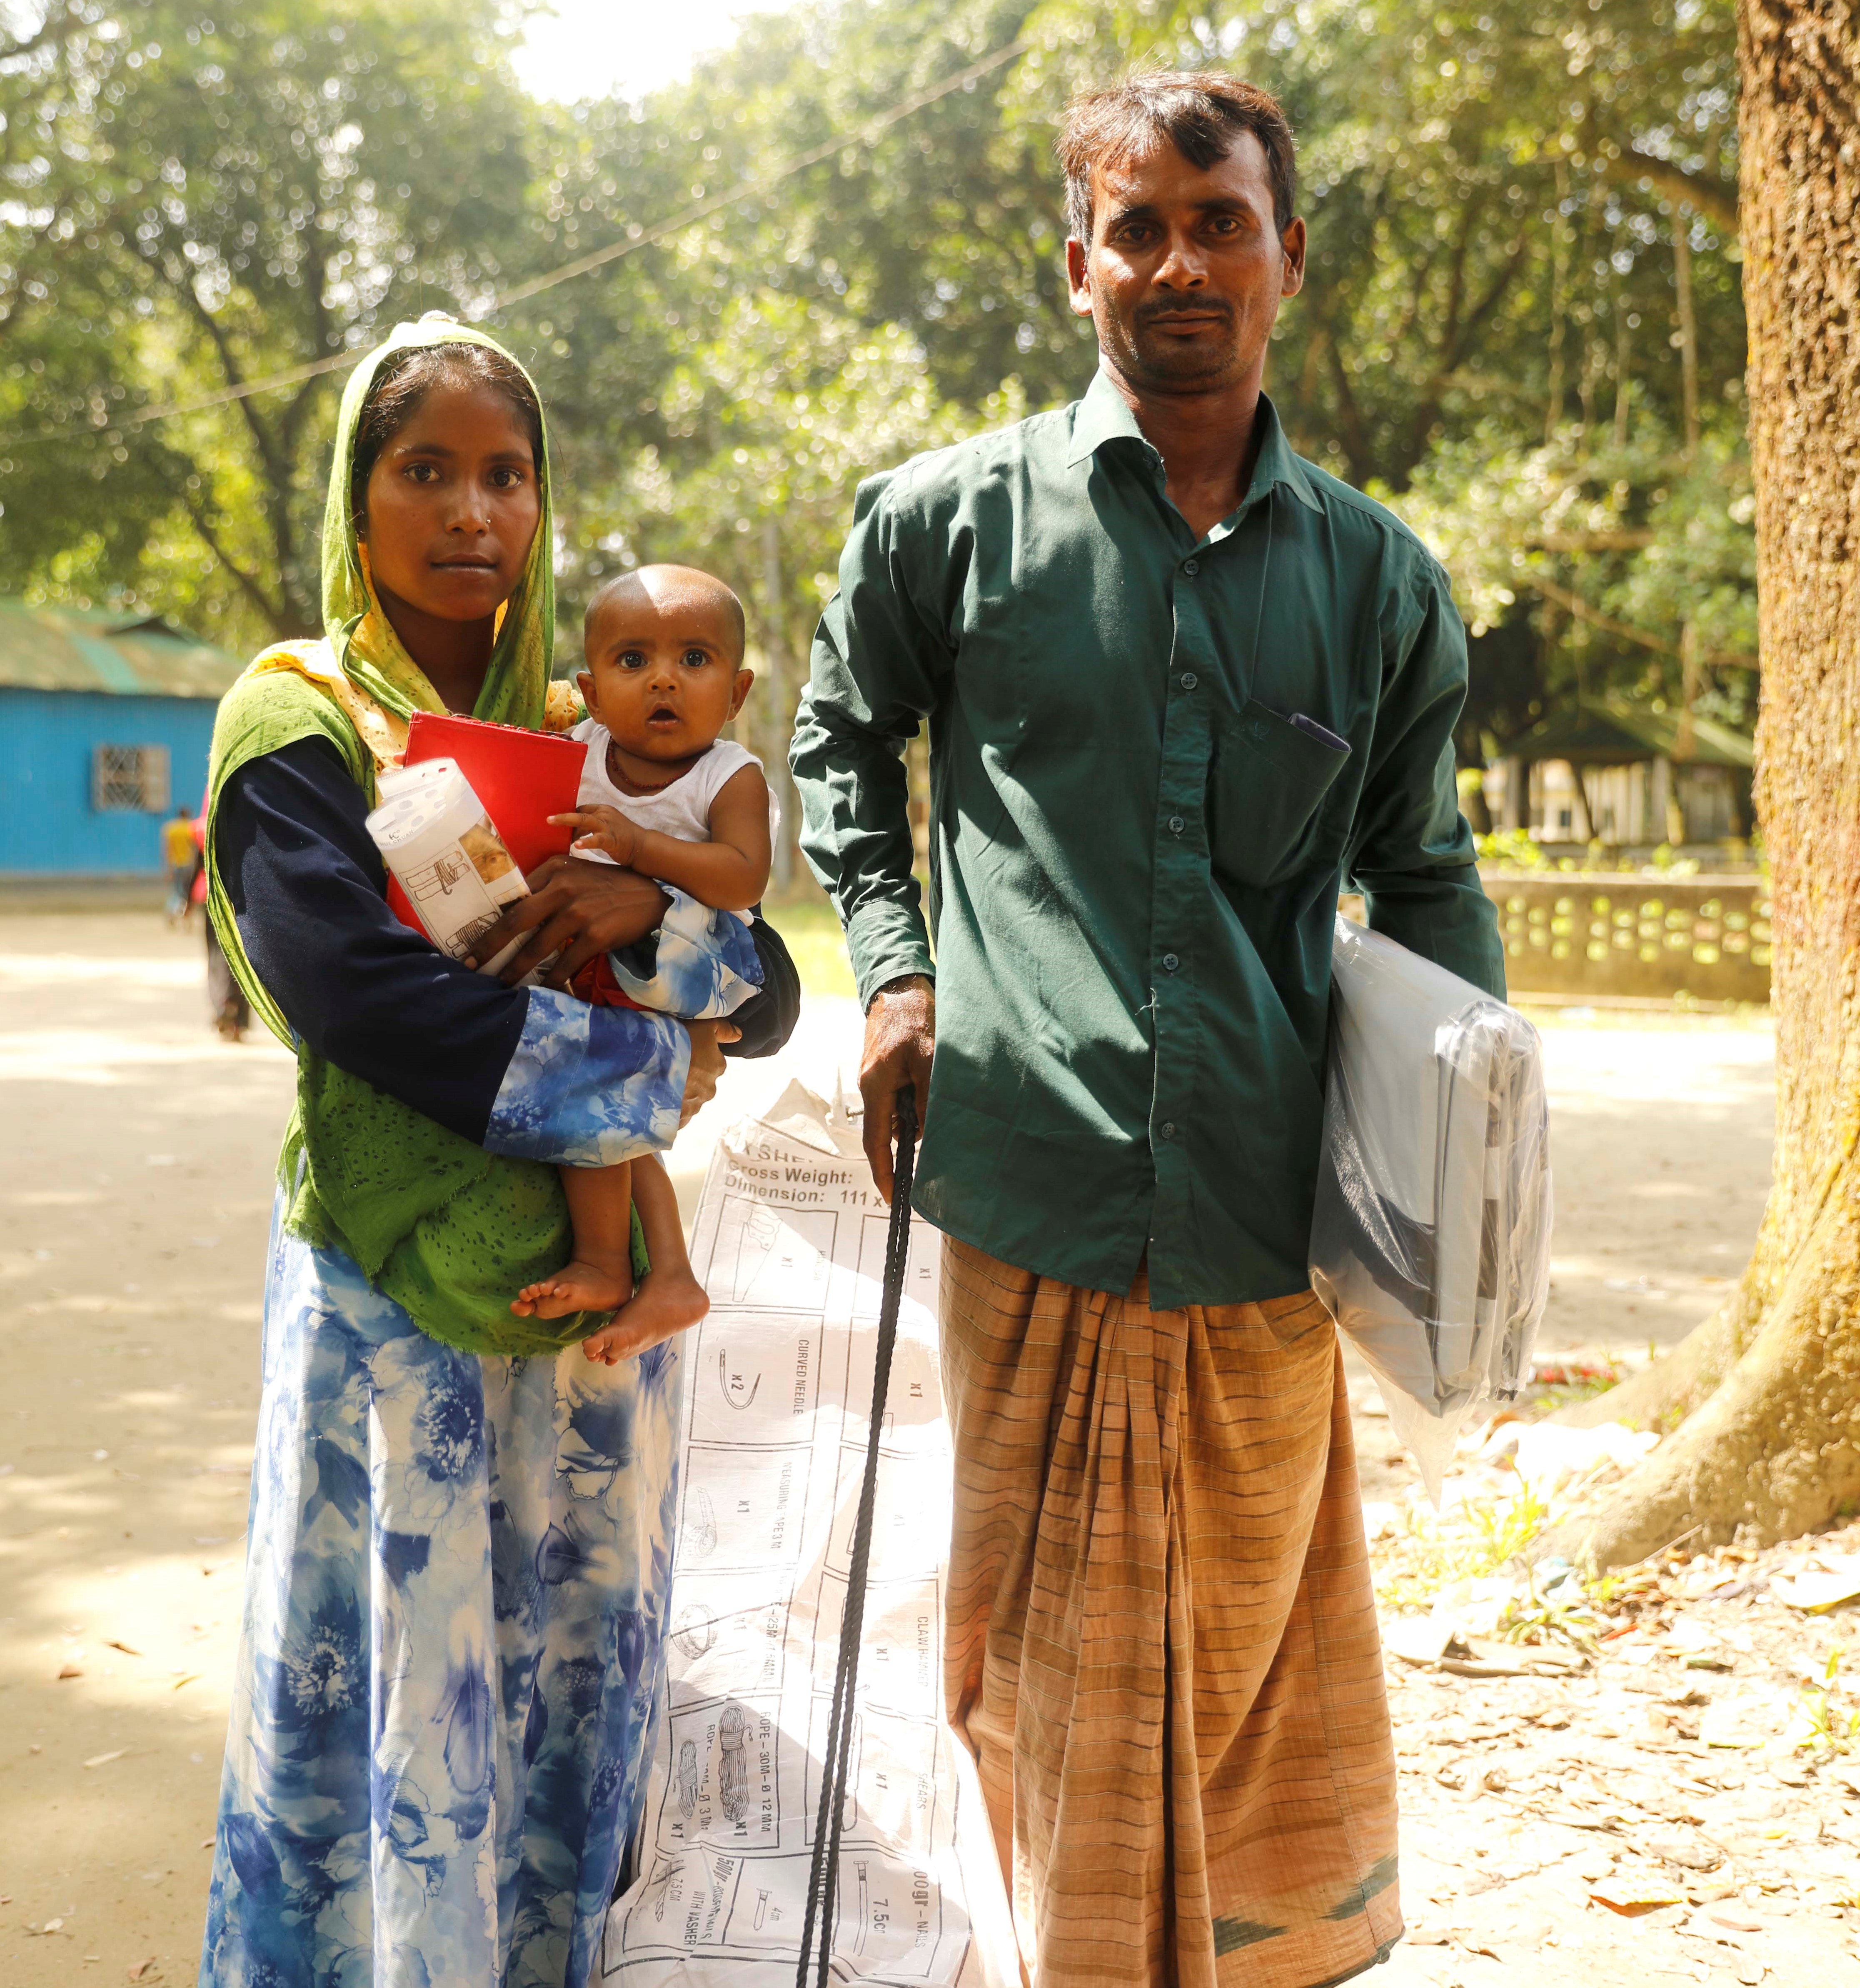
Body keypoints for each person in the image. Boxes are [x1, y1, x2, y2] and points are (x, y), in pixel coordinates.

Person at [790, 71, 1504, 1988]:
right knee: (1031, 1678)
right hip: (1023, 1190)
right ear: (1076, 260)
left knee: (1240, 1665)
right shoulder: (945, 522)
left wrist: (1469, 1144)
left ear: (1287, 254)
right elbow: (838, 741)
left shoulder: (1372, 579)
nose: (1177, 260)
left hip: (1266, 1230)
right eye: (1136, 225)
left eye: (1217, 221)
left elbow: (1421, 874)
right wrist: (889, 964)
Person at [196, 316, 794, 1988]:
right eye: (428, 470)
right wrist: (648, 1052)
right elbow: (342, 986)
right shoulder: (298, 717)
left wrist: (646, 904)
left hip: (595, 1350)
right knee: (402, 1693)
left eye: (506, 474)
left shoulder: (589, 732)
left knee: (576, 1686)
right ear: (361, 499)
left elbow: (776, 978)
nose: (472, 510)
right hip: (393, 1315)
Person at [509, 562, 778, 1359]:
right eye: (634, 661)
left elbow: (744, 876)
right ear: (590, 695)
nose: (664, 678)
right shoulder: (576, 750)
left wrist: (641, 849)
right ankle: (667, 1275)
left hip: (697, 967)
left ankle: (610, 1262)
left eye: (695, 659)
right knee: (606, 1117)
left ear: (737, 692)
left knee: (603, 1105)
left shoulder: (730, 774)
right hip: (599, 975)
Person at [162, 802, 197, 921]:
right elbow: (195, 849)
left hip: (176, 864)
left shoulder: (171, 829)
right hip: (189, 865)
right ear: (188, 815)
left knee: (177, 891)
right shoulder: (192, 828)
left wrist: (169, 870)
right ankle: (186, 916)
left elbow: (168, 851)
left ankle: (172, 911)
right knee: (188, 892)